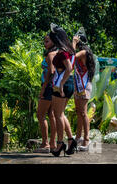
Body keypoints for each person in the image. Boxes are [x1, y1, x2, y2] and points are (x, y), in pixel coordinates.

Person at [49, 24, 76, 157]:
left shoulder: (63, 51)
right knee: (60, 113)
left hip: (62, 84)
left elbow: (69, 67)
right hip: (68, 83)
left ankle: (60, 143)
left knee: (57, 114)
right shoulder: (69, 49)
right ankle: (70, 140)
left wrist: (61, 84)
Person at [73, 27, 95, 152]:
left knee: (83, 113)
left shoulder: (84, 53)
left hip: (84, 85)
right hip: (78, 84)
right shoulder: (83, 52)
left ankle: (86, 139)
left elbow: (72, 56)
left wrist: (73, 43)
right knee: (79, 112)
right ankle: (78, 137)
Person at [34, 34, 57, 153]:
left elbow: (51, 71)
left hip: (48, 87)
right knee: (51, 114)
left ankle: (45, 144)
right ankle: (52, 143)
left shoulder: (51, 54)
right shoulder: (57, 52)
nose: (45, 43)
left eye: (47, 41)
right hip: (54, 87)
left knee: (40, 115)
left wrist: (44, 88)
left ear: (53, 42)